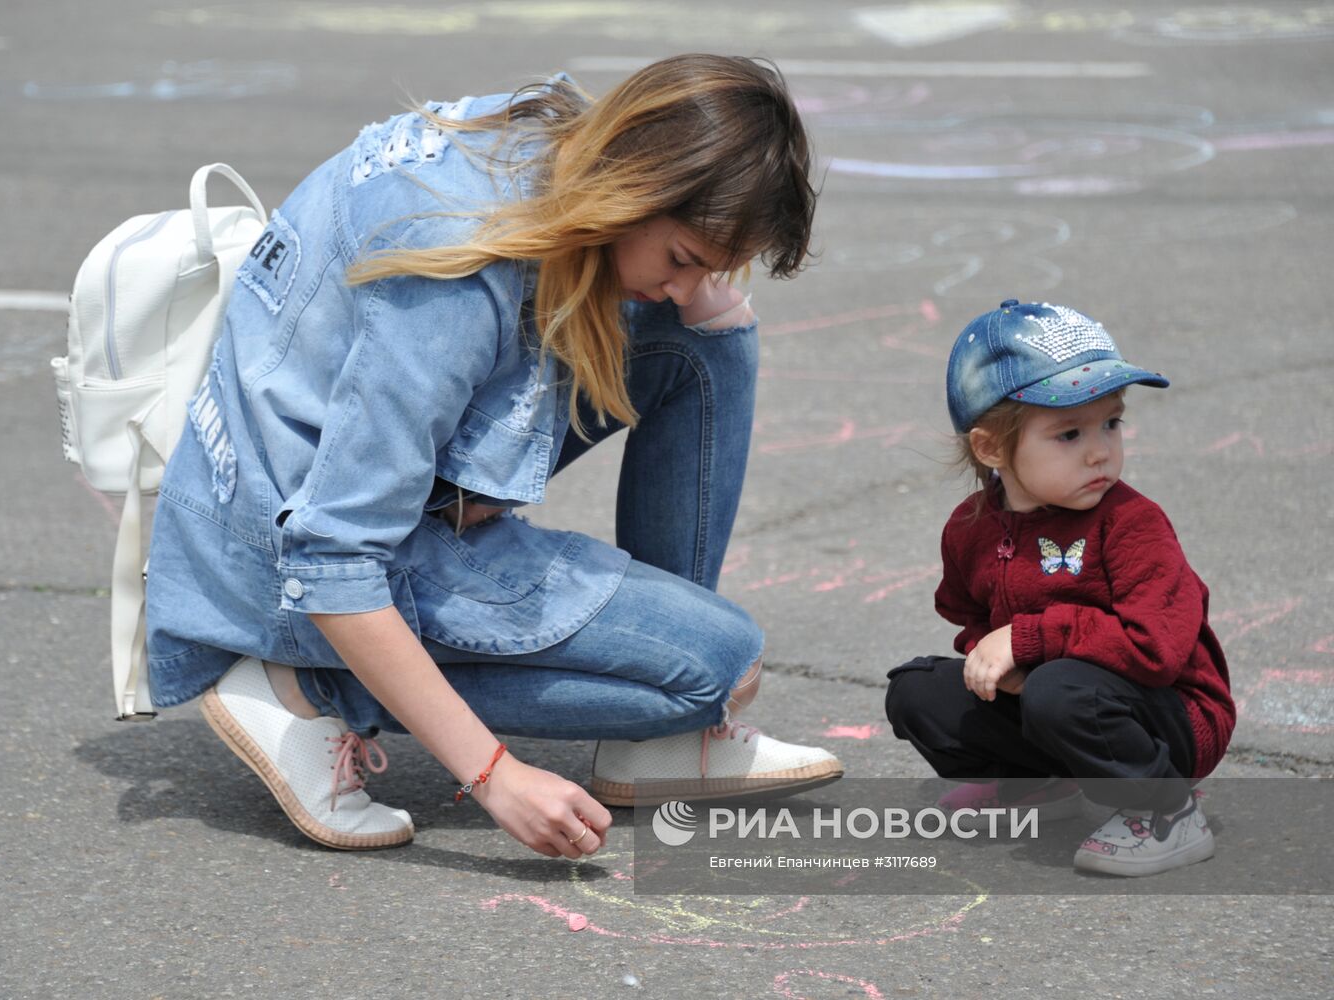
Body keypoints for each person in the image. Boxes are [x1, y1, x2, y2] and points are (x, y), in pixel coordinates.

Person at [144, 54, 844, 859]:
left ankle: (664, 736)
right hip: (284, 559)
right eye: (685, 257)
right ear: (636, 187)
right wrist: (496, 776)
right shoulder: (453, 272)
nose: (689, 283)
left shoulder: (550, 133)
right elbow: (332, 551)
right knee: (715, 665)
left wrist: (700, 290)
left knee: (704, 340)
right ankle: (300, 687)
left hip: (328, 473)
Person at [884, 300, 1235, 876]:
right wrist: (993, 654)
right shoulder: (971, 527)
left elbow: (1156, 648)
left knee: (1060, 690)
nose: (1100, 450)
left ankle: (1169, 810)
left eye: (1111, 423)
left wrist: (1028, 641)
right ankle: (1038, 787)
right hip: (1061, 699)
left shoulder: (1131, 524)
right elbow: (970, 615)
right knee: (919, 692)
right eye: (1069, 433)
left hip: (1170, 721)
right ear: (991, 448)